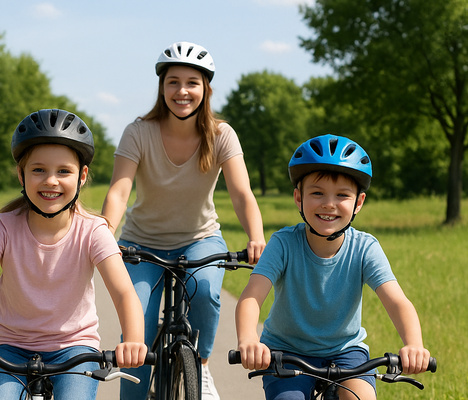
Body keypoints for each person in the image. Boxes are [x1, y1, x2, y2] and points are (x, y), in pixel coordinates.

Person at [0, 109, 147, 400]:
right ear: (21, 174)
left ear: (82, 176)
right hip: (11, 346)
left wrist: (133, 339)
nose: (51, 181)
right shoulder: (4, 225)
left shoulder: (93, 230)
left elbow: (123, 292)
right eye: (38, 170)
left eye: (63, 171)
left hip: (75, 347)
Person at [101, 41, 267, 400]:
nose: (182, 91)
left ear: (205, 89)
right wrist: (103, 234)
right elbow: (119, 191)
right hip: (141, 243)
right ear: (162, 87)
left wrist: (256, 236)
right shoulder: (139, 131)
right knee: (137, 331)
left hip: (200, 238)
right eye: (173, 81)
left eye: (192, 82)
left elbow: (242, 193)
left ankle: (202, 365)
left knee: (206, 291)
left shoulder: (221, 134)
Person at [234, 135, 432, 400]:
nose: (329, 203)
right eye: (317, 193)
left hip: (346, 350)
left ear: (358, 203)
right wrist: (248, 339)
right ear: (298, 197)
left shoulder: (365, 248)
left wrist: (414, 344)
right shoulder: (283, 244)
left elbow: (397, 301)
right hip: (287, 351)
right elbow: (251, 296)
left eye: (342, 195)